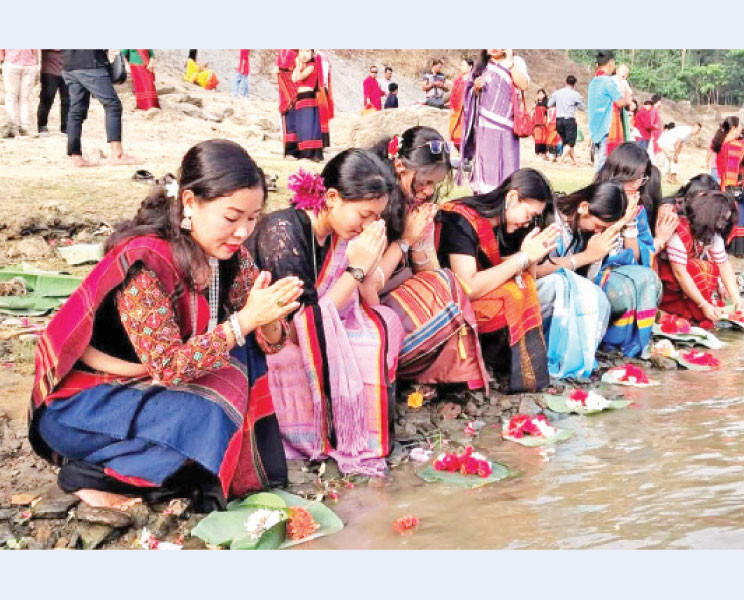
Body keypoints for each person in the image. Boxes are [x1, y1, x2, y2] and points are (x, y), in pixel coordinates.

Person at [29, 139, 296, 513]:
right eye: (232, 218)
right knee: (214, 403)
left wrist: (271, 317)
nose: (243, 232)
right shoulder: (146, 261)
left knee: (242, 361)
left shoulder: (232, 254)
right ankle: (87, 476)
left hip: (146, 390)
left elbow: (266, 341)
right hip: (85, 409)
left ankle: (182, 468)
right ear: (190, 203)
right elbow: (169, 367)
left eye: (252, 219)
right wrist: (248, 319)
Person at [248, 149, 401, 474]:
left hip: (310, 323)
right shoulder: (283, 233)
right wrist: (356, 269)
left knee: (382, 323)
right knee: (337, 350)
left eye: (377, 217)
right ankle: (326, 438)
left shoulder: (338, 234)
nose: (369, 225)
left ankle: (361, 434)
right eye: (364, 215)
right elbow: (301, 326)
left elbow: (365, 302)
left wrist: (365, 266)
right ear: (331, 198)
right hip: (267, 337)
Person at [369, 127, 489, 395]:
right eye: (423, 181)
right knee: (446, 290)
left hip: (395, 297)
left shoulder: (413, 205)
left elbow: (430, 273)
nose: (427, 190)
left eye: (434, 184)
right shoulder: (375, 205)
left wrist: (422, 238)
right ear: (399, 166)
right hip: (367, 305)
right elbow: (369, 285)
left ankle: (439, 375)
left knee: (445, 285)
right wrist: (406, 241)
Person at [437, 169, 558, 393]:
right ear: (512, 198)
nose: (528, 222)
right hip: (445, 305)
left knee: (524, 288)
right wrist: (523, 257)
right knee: (512, 294)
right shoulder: (461, 219)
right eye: (529, 215)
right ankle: (484, 365)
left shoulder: (508, 227)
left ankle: (507, 368)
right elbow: (469, 286)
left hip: (472, 301)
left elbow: (527, 277)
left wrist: (532, 255)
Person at [535, 182, 627, 378]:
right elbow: (534, 269)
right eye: (598, 226)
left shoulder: (585, 232)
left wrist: (596, 256)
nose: (598, 232)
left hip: (560, 297)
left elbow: (588, 281)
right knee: (559, 285)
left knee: (597, 296)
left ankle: (577, 357)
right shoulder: (549, 219)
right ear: (584, 207)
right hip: (534, 290)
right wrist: (585, 257)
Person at [592, 143, 664, 356]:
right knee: (627, 288)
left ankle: (633, 346)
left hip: (625, 270)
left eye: (642, 178)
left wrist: (631, 224)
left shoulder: (638, 209)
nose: (637, 184)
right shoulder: (599, 198)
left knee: (647, 280)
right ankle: (611, 342)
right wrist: (622, 219)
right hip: (596, 271)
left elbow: (637, 257)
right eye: (633, 177)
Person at [658, 189, 743, 329]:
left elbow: (723, 265)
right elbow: (680, 273)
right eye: (721, 220)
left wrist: (737, 300)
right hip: (669, 284)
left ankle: (697, 311)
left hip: (686, 280)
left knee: (709, 268)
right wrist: (703, 305)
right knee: (698, 268)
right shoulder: (679, 229)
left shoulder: (712, 233)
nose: (722, 225)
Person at [460, 49, 530, 194]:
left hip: (507, 126)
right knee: (485, 167)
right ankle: (485, 198)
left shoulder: (516, 62)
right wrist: (476, 89)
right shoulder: (481, 67)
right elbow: (469, 95)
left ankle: (506, 198)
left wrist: (510, 64)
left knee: (507, 165)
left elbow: (524, 85)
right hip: (485, 126)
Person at [62, 50, 137, 167]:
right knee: (113, 105)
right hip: (91, 64)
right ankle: (117, 154)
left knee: (76, 112)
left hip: (69, 65)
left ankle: (75, 157)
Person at [712, 117, 744, 256]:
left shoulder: (720, 143)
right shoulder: (734, 145)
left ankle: (725, 244)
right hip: (733, 183)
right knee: (738, 213)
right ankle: (737, 248)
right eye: (739, 127)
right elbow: (738, 163)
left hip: (723, 182)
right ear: (733, 128)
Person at [283, 49, 326, 162]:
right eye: (301, 52)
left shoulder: (312, 66)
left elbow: (298, 78)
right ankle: (302, 152)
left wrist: (297, 65)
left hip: (309, 97)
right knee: (301, 126)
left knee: (308, 126)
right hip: (300, 98)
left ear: (312, 54)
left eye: (307, 52)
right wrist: (298, 66)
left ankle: (310, 153)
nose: (304, 55)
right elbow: (293, 78)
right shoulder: (303, 66)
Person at [588, 51, 625, 173]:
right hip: (606, 128)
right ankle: (599, 189)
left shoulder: (593, 82)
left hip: (595, 128)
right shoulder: (607, 81)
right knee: (604, 164)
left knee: (601, 161)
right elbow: (619, 102)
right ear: (610, 63)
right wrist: (627, 99)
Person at [548, 75, 585, 166]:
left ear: (566, 82)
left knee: (566, 142)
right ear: (574, 84)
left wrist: (559, 104)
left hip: (559, 120)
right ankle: (561, 159)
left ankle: (574, 161)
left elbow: (549, 104)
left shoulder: (557, 93)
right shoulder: (576, 94)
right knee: (570, 142)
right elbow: (582, 108)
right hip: (569, 120)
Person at [1, 49, 39, 137]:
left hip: (28, 65)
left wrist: (35, 63)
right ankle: (12, 125)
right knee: (12, 96)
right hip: (13, 63)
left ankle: (24, 126)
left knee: (24, 97)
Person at [37, 50, 68, 136]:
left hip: (66, 70)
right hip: (49, 71)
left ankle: (65, 128)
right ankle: (42, 126)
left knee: (67, 101)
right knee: (47, 98)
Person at [606, 64, 634, 156]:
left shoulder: (625, 82)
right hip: (610, 109)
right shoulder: (611, 80)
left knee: (621, 135)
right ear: (617, 70)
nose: (624, 75)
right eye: (623, 71)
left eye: (626, 73)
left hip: (621, 110)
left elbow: (629, 96)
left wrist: (630, 102)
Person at [448, 58, 474, 147]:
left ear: (470, 67)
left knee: (466, 135)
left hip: (467, 111)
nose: (461, 67)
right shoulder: (458, 80)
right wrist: (451, 106)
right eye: (460, 65)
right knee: (455, 134)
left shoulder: (473, 80)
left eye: (463, 65)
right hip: (456, 111)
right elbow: (452, 94)